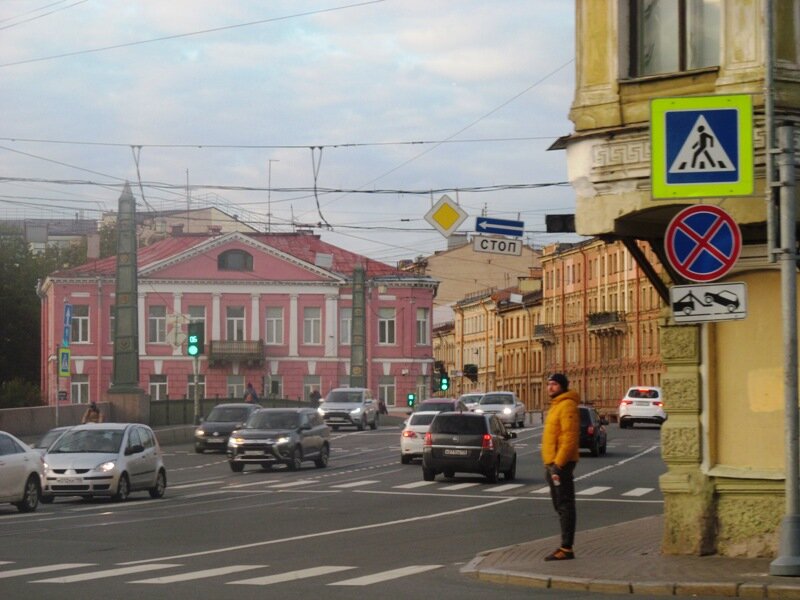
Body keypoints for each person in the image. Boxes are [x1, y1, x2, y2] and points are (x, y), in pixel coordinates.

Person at [541, 372, 580, 561]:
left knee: (565, 505)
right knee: (559, 505)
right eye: (549, 384)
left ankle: (566, 548)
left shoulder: (567, 406)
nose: (550, 387)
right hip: (552, 463)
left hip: (560, 464)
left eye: (554, 384)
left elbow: (569, 438)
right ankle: (565, 546)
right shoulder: (556, 405)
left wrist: (558, 465)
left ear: (563, 386)